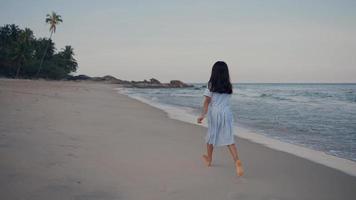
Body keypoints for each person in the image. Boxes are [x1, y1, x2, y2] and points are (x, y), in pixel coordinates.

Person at [197, 61, 244, 176]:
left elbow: (207, 102)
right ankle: (237, 160)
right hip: (226, 113)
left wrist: (202, 115)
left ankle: (209, 159)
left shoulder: (211, 84)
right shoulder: (228, 85)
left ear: (214, 72)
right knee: (229, 138)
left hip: (215, 113)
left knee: (211, 136)